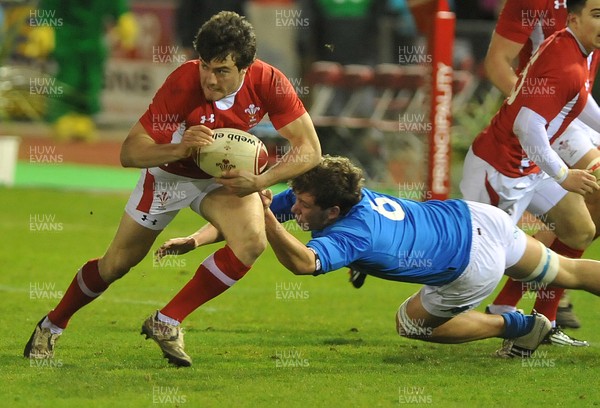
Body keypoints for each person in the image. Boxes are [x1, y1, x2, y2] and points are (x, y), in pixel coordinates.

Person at [23, 11, 322, 367]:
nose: (210, 79)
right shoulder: (182, 83)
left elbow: (310, 150)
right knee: (116, 265)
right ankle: (52, 324)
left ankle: (167, 320)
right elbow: (129, 152)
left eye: (222, 71)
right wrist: (180, 148)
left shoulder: (269, 82)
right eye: (206, 67)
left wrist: (259, 182)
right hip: (169, 176)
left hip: (219, 178)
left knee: (252, 242)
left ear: (246, 67)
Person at [157, 155, 600, 358]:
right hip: (476, 218)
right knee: (567, 269)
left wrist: (273, 224)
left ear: (333, 211)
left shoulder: (353, 232)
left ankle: (521, 326)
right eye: (297, 200)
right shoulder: (337, 194)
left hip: (470, 265)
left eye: (304, 207)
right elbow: (257, 215)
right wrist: (197, 240)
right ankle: (527, 327)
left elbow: (301, 264)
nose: (295, 210)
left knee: (409, 324)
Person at [461, 0, 600, 348]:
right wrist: (536, 106)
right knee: (473, 265)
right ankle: (382, 247)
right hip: (509, 156)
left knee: (580, 228)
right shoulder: (554, 32)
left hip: (544, 141)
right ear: (575, 18)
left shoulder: (583, 45)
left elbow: (580, 98)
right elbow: (498, 65)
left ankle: (537, 316)